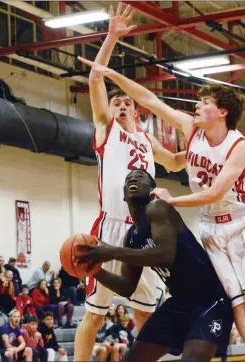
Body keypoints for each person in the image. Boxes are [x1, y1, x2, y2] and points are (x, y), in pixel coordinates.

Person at [78, 59, 245, 361]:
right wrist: (113, 74)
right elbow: (150, 100)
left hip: (234, 227)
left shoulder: (236, 146)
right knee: (238, 302)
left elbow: (210, 192)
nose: (197, 105)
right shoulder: (135, 231)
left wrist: (171, 199)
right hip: (208, 228)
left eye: (205, 101)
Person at [73, 5, 186, 361]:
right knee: (95, 312)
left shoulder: (148, 142)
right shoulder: (107, 132)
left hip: (144, 230)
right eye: (116, 101)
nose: (120, 105)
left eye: (126, 103)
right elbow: (94, 80)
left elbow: (179, 162)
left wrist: (213, 148)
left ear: (137, 112)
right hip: (110, 225)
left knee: (145, 311)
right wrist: (110, 37)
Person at [76, 169, 233, 362]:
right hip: (179, 303)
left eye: (141, 177)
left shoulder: (158, 208)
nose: (134, 178)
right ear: (124, 196)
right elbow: (126, 286)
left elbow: (164, 255)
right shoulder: (132, 237)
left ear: (152, 190)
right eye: (129, 179)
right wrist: (95, 271)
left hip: (210, 300)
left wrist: (111, 251)